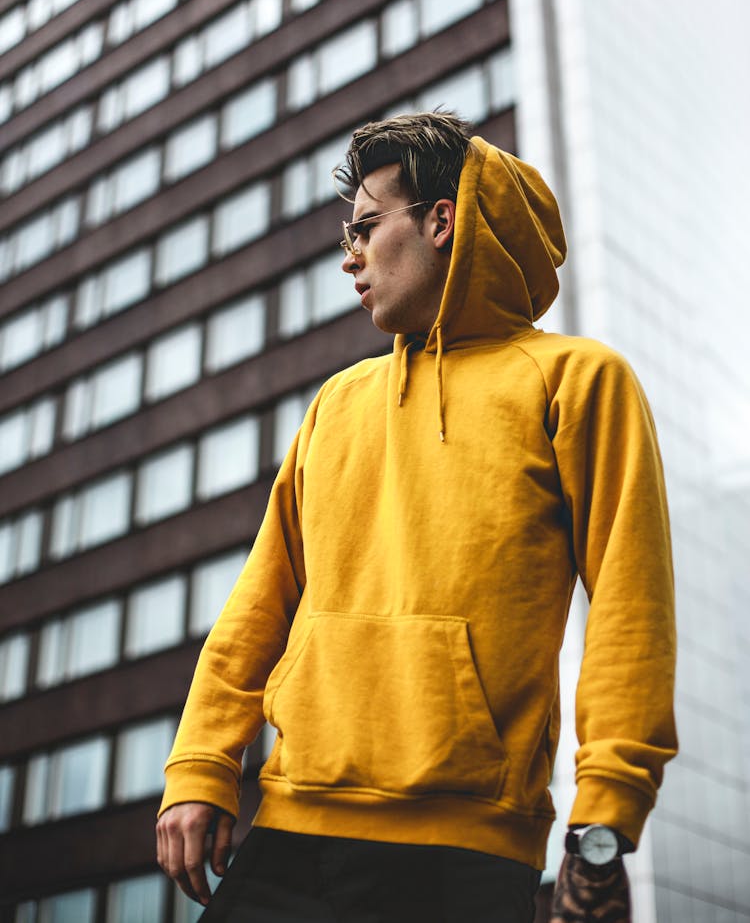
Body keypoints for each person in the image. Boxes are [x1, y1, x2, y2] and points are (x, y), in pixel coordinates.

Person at [157, 113, 677, 922]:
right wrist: (199, 765)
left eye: (367, 226)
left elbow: (630, 608)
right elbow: (258, 606)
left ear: (441, 221)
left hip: (462, 848)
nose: (349, 254)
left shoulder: (576, 381)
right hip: (290, 828)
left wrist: (604, 817)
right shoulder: (336, 404)